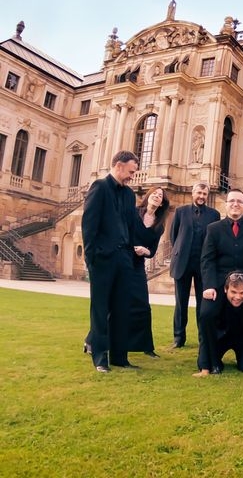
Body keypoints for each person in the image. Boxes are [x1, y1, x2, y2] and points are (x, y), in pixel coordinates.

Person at [197, 189, 243, 376]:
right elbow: (207, 260)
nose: (235, 204)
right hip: (221, 285)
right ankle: (211, 363)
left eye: (239, 201)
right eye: (232, 201)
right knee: (206, 313)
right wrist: (208, 287)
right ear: (226, 204)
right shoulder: (213, 229)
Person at [82, 150, 140, 373]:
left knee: (121, 308)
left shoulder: (129, 195)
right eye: (130, 171)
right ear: (118, 165)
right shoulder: (99, 187)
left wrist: (133, 251)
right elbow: (89, 226)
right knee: (100, 309)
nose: (132, 176)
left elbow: (131, 226)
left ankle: (119, 357)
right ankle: (100, 357)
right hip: (102, 260)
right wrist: (92, 258)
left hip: (124, 259)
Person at [169, 182, 220, 348]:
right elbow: (174, 236)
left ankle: (203, 337)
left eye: (204, 194)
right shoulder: (180, 212)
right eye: (199, 193)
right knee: (180, 303)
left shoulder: (214, 215)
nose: (201, 197)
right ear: (193, 193)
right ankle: (178, 338)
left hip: (203, 266)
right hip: (182, 263)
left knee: (203, 304)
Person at [128, 187, 170, 358]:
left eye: (160, 196)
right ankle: (93, 341)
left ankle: (146, 346)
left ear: (161, 203)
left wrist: (145, 251)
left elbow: (152, 251)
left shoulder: (159, 226)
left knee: (143, 306)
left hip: (138, 264)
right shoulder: (133, 212)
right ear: (148, 196)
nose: (156, 197)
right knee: (116, 303)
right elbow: (123, 233)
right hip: (124, 260)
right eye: (154, 194)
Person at [193, 272, 243, 377]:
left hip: (242, 339)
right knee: (207, 365)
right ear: (225, 289)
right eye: (233, 292)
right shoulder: (214, 304)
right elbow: (205, 332)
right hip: (220, 339)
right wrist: (205, 367)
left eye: (242, 293)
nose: (238, 297)